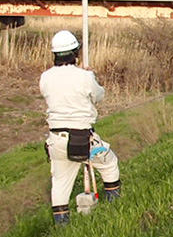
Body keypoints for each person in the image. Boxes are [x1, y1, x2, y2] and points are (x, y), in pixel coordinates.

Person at [40, 30, 121, 225]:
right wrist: (89, 76)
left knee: (60, 182)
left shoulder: (45, 77)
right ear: (75, 53)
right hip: (83, 138)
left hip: (56, 140)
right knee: (109, 164)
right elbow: (98, 95)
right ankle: (115, 207)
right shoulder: (85, 76)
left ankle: (62, 226)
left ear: (55, 54)